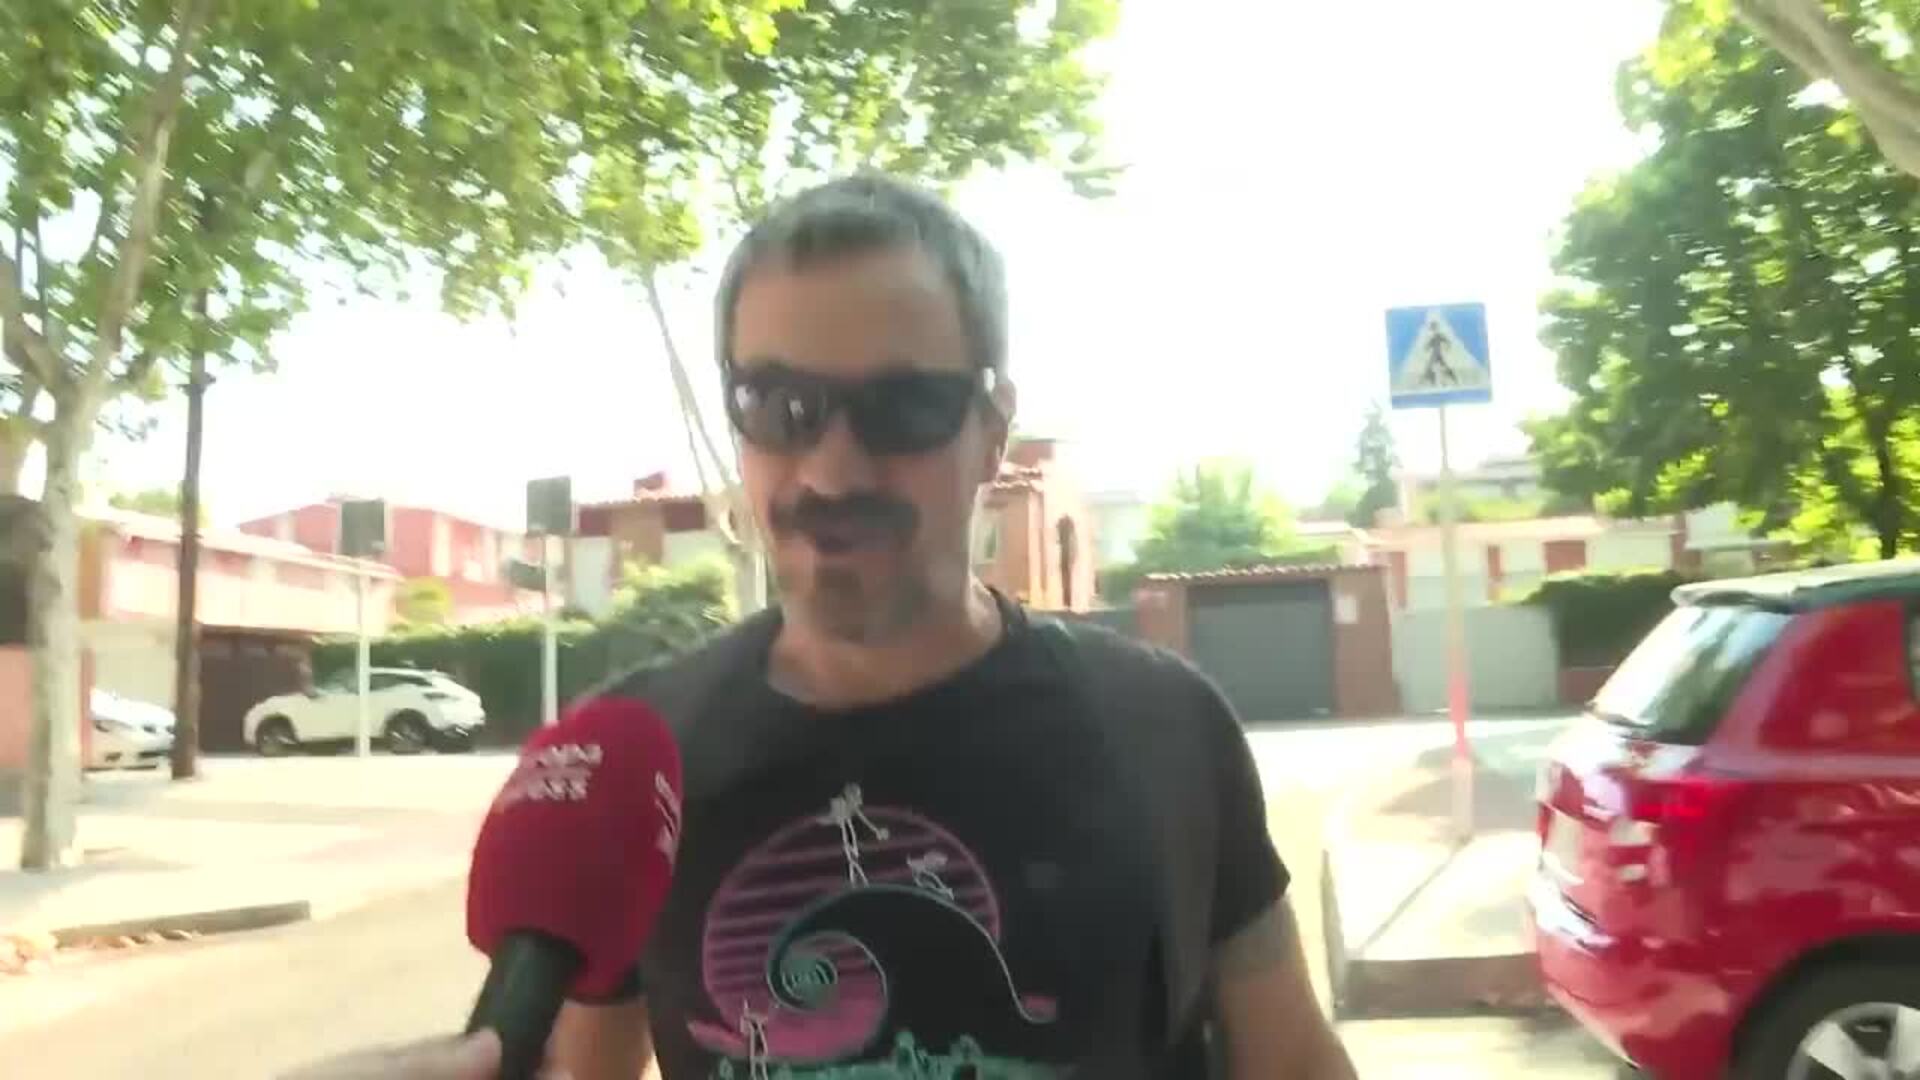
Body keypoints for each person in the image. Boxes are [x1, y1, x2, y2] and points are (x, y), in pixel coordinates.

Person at [287, 174, 1356, 1079]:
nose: (833, 470)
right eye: (780, 407)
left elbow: (1294, 1063)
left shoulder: (1164, 727)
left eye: (903, 410)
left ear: (992, 430)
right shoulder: (639, 764)